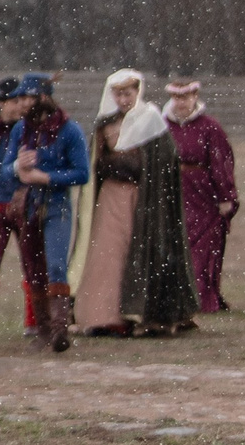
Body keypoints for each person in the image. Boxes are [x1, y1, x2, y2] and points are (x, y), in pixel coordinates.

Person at [74, 70, 195, 337]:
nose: (123, 99)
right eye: (118, 94)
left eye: (128, 93)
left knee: (139, 251)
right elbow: (96, 163)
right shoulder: (105, 123)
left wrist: (137, 168)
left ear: (137, 92)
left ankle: (140, 312)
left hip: (142, 199)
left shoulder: (150, 120)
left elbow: (165, 162)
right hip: (110, 198)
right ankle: (105, 315)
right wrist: (111, 163)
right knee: (108, 253)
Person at [3, 72, 88, 351]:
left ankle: (59, 330)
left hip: (56, 205)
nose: (23, 103)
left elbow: (82, 172)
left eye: (28, 96)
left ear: (44, 97)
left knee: (55, 265)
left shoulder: (69, 130)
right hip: (28, 206)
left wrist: (47, 177)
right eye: (21, 97)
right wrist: (18, 168)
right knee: (33, 269)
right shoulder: (20, 130)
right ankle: (42, 330)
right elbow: (3, 171)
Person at [0, 78, 46, 341]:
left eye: (22, 101)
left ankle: (34, 320)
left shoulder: (31, 130)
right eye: (15, 101)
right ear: (3, 103)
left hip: (25, 203)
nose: (20, 106)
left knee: (32, 265)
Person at [164, 80, 238, 313]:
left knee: (204, 249)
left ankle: (201, 298)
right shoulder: (162, 126)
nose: (181, 102)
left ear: (195, 96)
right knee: (175, 246)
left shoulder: (210, 127)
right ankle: (176, 299)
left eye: (185, 97)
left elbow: (221, 162)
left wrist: (226, 196)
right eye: (176, 97)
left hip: (203, 196)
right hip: (173, 193)